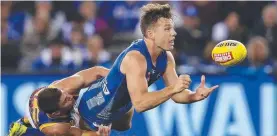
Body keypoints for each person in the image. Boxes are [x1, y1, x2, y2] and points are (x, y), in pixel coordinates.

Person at [75, 3, 219, 131]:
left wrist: (194, 95)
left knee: (125, 126)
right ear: (150, 33)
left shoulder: (166, 57)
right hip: (91, 113)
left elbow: (177, 94)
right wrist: (172, 89)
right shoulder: (135, 58)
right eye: (167, 29)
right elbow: (141, 104)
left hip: (118, 113)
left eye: (172, 29)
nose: (174, 33)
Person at [9, 66, 111, 136]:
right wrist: (100, 134)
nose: (69, 97)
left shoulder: (66, 87)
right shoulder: (57, 128)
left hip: (37, 98)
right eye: (65, 100)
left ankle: (24, 121)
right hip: (41, 120)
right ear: (56, 113)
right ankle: (23, 131)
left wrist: (118, 77)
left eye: (64, 94)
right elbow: (81, 134)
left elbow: (96, 71)